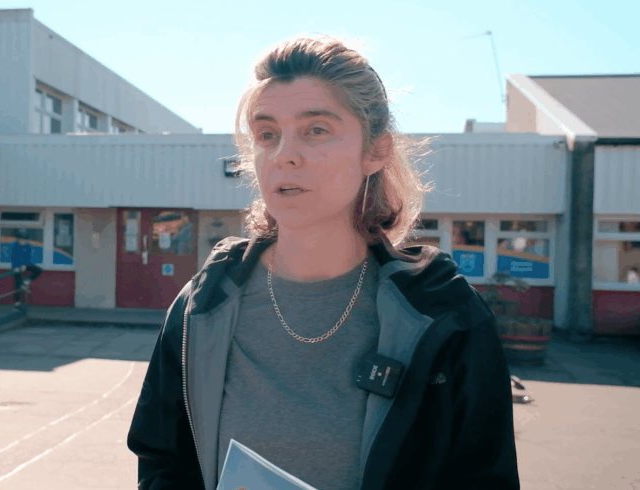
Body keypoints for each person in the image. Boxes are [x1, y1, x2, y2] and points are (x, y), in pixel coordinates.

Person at [127, 35, 519, 490]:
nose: (284, 155)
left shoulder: (445, 314)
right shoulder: (203, 304)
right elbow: (163, 461)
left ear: (375, 151)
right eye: (267, 134)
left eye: (316, 130)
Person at [11, 228, 42, 308]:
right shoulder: (15, 246)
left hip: (26, 264)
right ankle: (17, 302)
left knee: (38, 270)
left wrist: (25, 265)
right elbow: (14, 258)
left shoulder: (27, 246)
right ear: (18, 239)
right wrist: (17, 267)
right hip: (16, 266)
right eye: (21, 239)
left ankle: (26, 281)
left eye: (24, 239)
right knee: (17, 283)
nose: (23, 241)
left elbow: (27, 257)